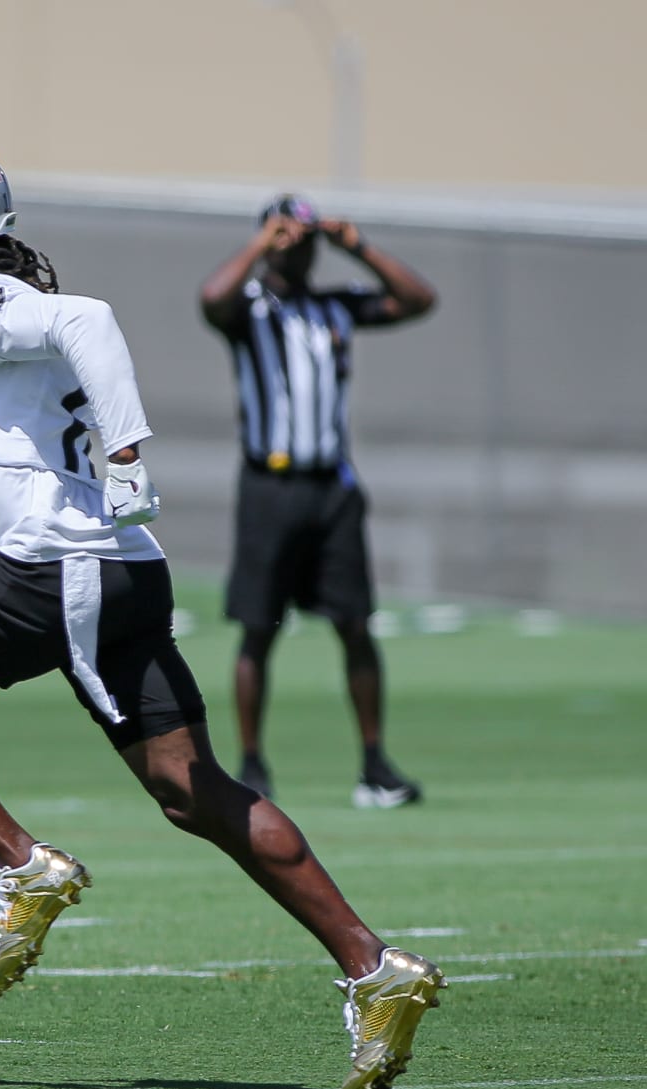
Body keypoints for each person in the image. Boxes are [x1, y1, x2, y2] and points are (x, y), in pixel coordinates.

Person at [0, 138, 445, 1089]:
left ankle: (21, 866)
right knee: (190, 790)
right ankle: (376, 969)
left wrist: (126, 454)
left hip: (57, 571)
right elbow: (4, 470)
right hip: (121, 569)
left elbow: (91, 318)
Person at [199, 194, 437, 808]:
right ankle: (252, 764)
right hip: (269, 486)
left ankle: (375, 766)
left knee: (355, 624)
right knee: (259, 628)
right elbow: (211, 298)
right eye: (286, 238)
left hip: (332, 488)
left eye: (303, 241)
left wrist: (355, 245)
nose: (296, 250)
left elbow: (418, 300)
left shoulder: (335, 306)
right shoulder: (249, 309)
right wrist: (262, 242)